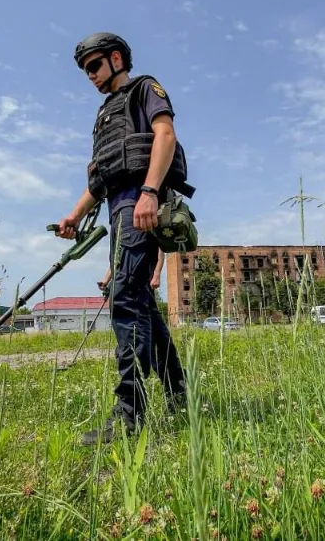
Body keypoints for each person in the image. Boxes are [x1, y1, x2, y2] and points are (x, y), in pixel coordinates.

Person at [55, 32, 189, 446]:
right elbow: (102, 178)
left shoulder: (143, 90)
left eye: (94, 65)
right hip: (118, 208)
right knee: (140, 303)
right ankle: (179, 392)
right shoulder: (104, 115)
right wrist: (74, 215)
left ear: (116, 58)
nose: (91, 75)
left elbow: (164, 137)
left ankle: (130, 415)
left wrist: (149, 192)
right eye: (85, 71)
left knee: (126, 299)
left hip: (141, 202)